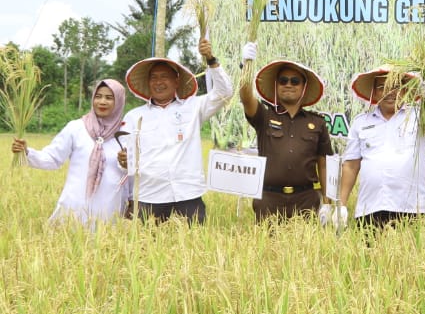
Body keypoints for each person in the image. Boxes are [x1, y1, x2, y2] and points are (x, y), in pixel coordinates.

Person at [121, 39, 232, 223]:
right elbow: (126, 157)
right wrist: (123, 160)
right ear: (148, 83)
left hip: (188, 195)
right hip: (149, 197)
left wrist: (211, 60)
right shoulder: (134, 116)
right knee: (146, 249)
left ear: (176, 81)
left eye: (164, 76)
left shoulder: (194, 107)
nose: (158, 82)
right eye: (154, 77)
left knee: (193, 249)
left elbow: (225, 92)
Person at [11, 79, 131, 226]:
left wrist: (126, 163)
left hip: (108, 208)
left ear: (119, 101)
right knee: (67, 243)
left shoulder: (125, 133)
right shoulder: (76, 128)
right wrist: (26, 152)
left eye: (109, 97)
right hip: (74, 206)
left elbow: (131, 172)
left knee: (105, 245)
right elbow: (53, 158)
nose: (102, 101)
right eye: (98, 96)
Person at [338, 65, 425, 229]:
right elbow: (351, 166)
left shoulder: (418, 117)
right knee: (368, 254)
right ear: (374, 92)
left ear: (404, 91)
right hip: (369, 209)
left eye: (396, 87)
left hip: (411, 208)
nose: (390, 92)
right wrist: (342, 205)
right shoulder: (361, 122)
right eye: (382, 87)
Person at [238, 43, 333, 222]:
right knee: (266, 249)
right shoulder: (264, 116)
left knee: (305, 249)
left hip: (306, 201)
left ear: (304, 87)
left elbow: (324, 165)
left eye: (295, 81)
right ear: (276, 86)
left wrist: (327, 203)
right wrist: (246, 65)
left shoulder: (317, 122)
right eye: (283, 81)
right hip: (269, 200)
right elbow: (245, 97)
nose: (288, 84)